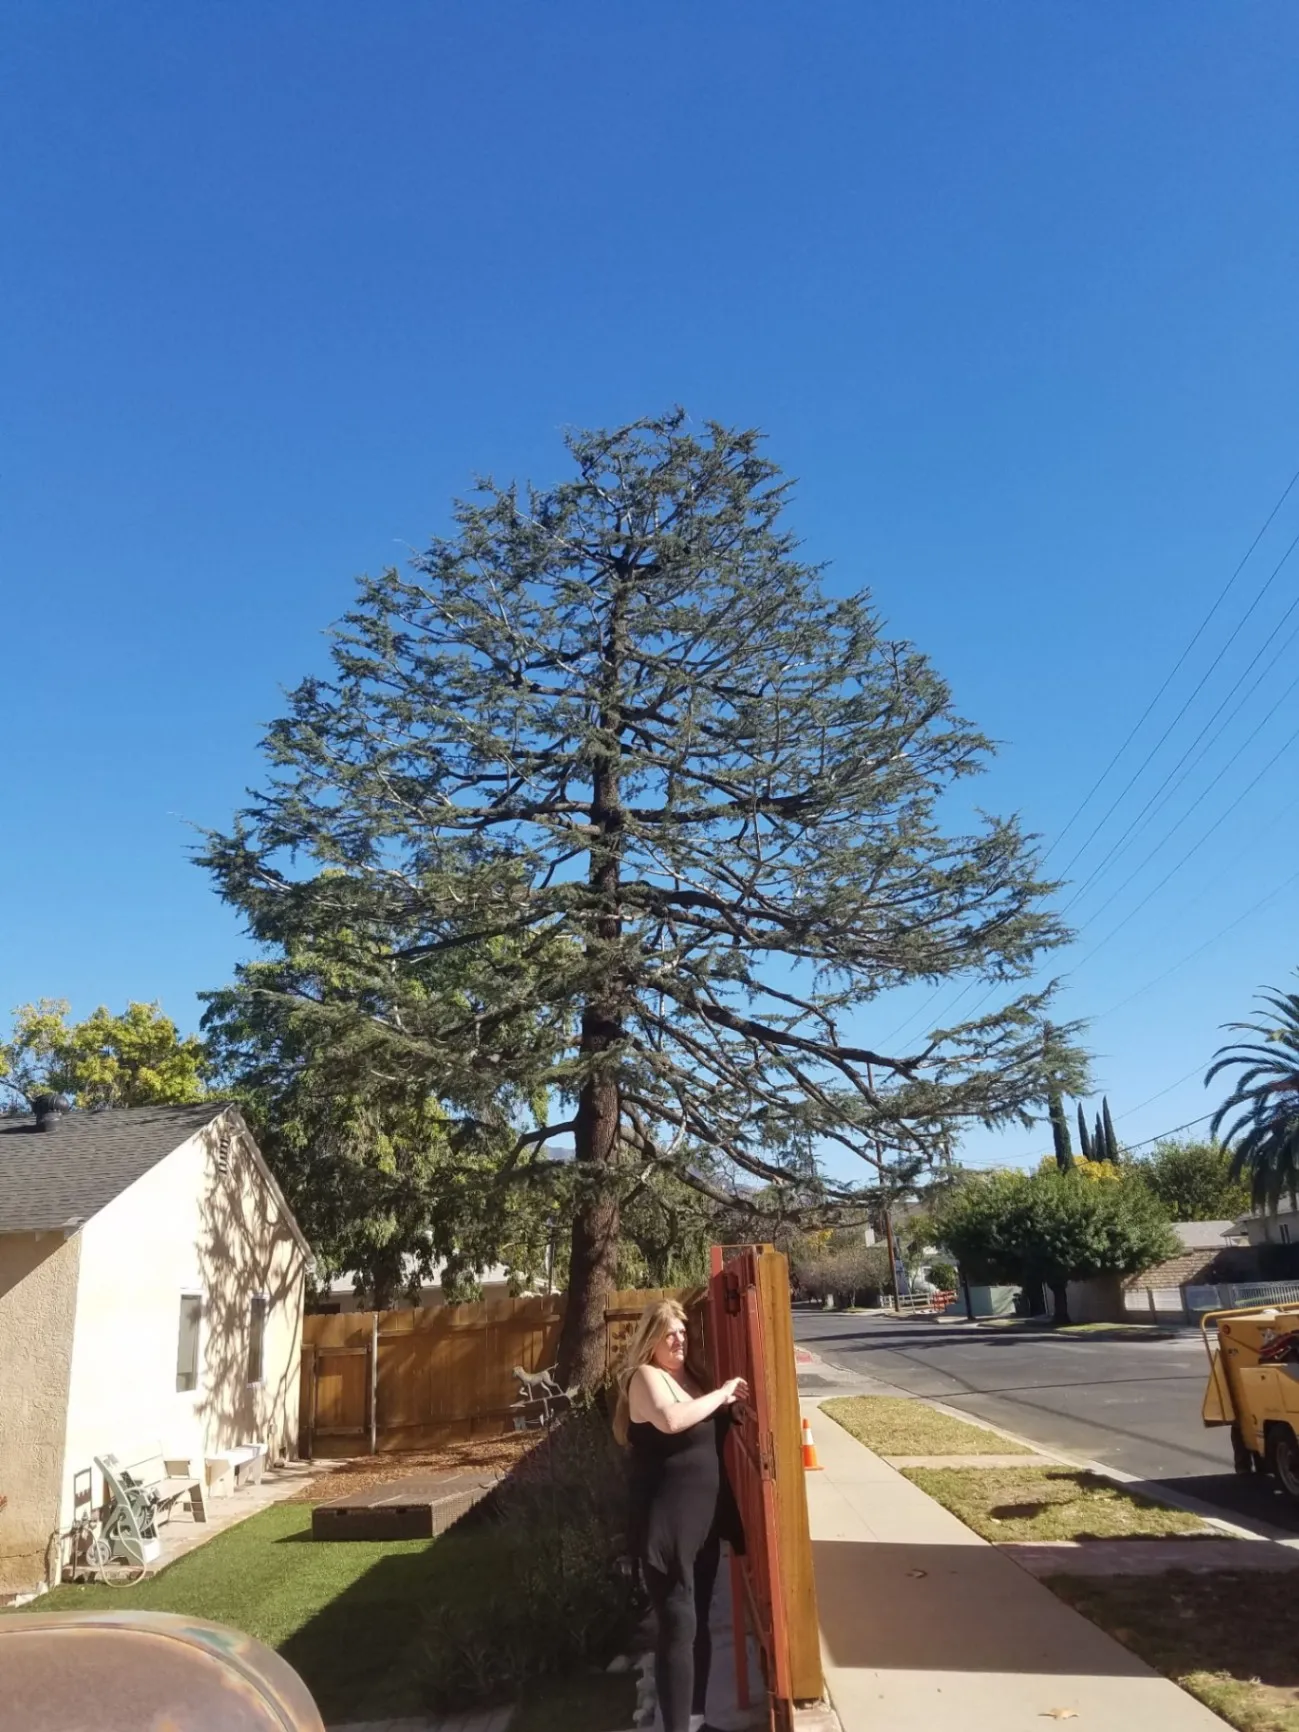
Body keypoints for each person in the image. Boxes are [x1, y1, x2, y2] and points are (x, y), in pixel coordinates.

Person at [613, 1300, 747, 1732]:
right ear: (651, 1339)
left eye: (684, 1333)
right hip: (666, 1529)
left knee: (699, 1625)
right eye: (671, 1333)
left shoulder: (691, 1378)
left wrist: (732, 1407)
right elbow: (673, 1421)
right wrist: (722, 1393)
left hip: (702, 1526)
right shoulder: (643, 1379)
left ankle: (695, 1721)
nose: (680, 1340)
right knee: (678, 1628)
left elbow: (708, 1424)